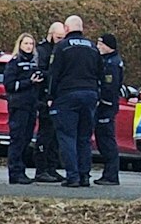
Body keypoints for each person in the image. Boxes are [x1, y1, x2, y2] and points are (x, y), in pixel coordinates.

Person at [47, 18, 102, 188]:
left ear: (66, 28)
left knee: (67, 137)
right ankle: (85, 175)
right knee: (84, 138)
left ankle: (73, 176)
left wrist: (50, 96)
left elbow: (54, 74)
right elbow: (101, 72)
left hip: (67, 96)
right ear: (82, 28)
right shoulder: (93, 47)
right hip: (90, 95)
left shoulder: (62, 47)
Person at [1, 32, 43, 185]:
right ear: (20, 45)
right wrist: (29, 82)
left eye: (31, 44)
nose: (29, 47)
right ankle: (15, 173)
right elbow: (10, 85)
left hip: (31, 106)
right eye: (26, 44)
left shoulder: (34, 63)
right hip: (19, 106)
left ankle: (22, 171)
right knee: (17, 139)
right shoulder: (14, 62)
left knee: (26, 140)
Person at [29, 21, 67, 183]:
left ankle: (52, 167)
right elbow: (40, 72)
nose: (60, 40)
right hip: (44, 98)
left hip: (57, 97)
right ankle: (41, 169)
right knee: (45, 135)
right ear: (51, 35)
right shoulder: (42, 51)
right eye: (58, 37)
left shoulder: (61, 50)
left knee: (55, 136)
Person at [91, 32, 125, 186]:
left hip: (106, 107)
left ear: (108, 46)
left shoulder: (111, 64)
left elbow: (109, 87)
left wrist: (103, 102)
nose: (98, 47)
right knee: (102, 138)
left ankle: (111, 175)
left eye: (100, 44)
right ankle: (109, 173)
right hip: (105, 106)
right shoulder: (106, 60)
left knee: (106, 140)